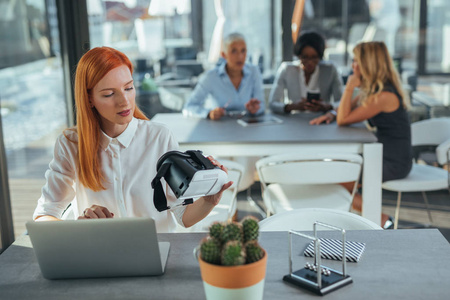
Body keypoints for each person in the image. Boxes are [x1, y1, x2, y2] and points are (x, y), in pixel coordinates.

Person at [33, 47, 232, 232]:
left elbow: (183, 216)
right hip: (100, 258)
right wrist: (79, 229)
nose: (124, 101)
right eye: (109, 94)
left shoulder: (159, 138)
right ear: (89, 99)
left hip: (157, 251)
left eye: (128, 88)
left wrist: (209, 201)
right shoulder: (71, 144)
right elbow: (44, 216)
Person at [311, 41, 412, 227]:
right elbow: (346, 110)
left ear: (368, 64)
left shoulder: (383, 96)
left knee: (334, 178)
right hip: (382, 154)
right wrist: (331, 114)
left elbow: (344, 118)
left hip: (393, 161)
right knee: (335, 173)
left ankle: (379, 219)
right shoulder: (376, 90)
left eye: (356, 61)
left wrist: (349, 85)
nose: (353, 66)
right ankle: (370, 218)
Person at [182, 32, 265, 120]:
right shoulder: (211, 77)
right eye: (234, 51)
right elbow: (189, 107)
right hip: (218, 129)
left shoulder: (254, 72)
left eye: (243, 51)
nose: (240, 56)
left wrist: (255, 109)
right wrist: (209, 113)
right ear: (224, 55)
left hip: (249, 129)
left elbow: (262, 106)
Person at [269, 31, 342, 114]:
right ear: (298, 55)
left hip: (322, 120)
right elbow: (272, 104)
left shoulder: (330, 69)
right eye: (305, 57)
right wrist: (293, 106)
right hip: (293, 121)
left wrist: (327, 106)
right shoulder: (287, 69)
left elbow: (342, 102)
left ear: (320, 56)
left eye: (314, 57)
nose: (309, 62)